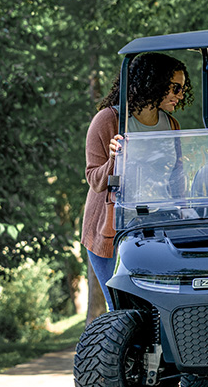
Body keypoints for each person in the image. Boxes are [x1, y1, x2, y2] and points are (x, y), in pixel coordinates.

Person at [82, 53, 193, 310]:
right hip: (114, 232)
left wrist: (184, 212)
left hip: (155, 228)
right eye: (175, 87)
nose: (180, 94)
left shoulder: (171, 124)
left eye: (183, 89)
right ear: (154, 83)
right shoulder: (108, 120)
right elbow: (94, 179)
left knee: (160, 306)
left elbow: (176, 176)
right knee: (122, 309)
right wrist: (115, 160)